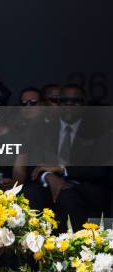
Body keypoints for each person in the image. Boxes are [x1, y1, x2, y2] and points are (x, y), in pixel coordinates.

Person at [23, 84, 108, 229]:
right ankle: (33, 246)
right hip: (50, 187)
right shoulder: (42, 128)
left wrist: (63, 169)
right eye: (63, 100)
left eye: (75, 101)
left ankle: (72, 249)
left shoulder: (98, 131)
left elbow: (101, 170)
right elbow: (32, 164)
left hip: (83, 188)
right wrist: (49, 177)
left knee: (68, 196)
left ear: (84, 105)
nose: (68, 104)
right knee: (30, 191)